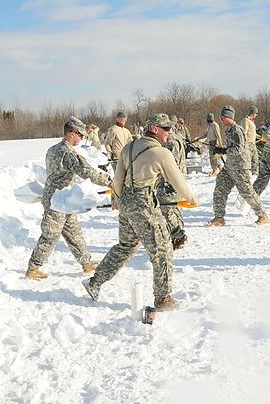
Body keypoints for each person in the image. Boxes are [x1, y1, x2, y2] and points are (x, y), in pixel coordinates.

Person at [83, 114, 200, 311]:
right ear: (154, 129)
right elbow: (178, 182)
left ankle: (95, 282)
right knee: (162, 250)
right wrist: (193, 200)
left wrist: (120, 202)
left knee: (126, 246)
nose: (169, 132)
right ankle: (163, 299)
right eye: (166, 129)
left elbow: (118, 180)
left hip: (127, 201)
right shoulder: (161, 153)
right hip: (144, 203)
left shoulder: (128, 147)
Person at [26, 117, 112, 280]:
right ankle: (33, 268)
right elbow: (88, 172)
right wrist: (111, 182)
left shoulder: (53, 149)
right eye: (81, 135)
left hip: (63, 199)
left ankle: (86, 262)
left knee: (73, 232)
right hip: (56, 202)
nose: (82, 138)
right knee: (50, 235)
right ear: (71, 133)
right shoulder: (68, 153)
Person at [208, 105, 270, 226]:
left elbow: (239, 149)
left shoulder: (237, 130)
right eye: (220, 117)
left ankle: (263, 216)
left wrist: (224, 151)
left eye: (223, 117)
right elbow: (231, 148)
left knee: (247, 192)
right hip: (230, 167)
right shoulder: (228, 130)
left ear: (229, 117)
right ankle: (219, 217)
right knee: (220, 189)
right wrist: (221, 149)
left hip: (240, 167)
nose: (221, 119)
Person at [159, 115, 188, 249]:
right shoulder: (177, 136)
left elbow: (171, 163)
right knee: (175, 208)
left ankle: (178, 235)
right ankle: (179, 235)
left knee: (168, 208)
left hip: (171, 180)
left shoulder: (170, 141)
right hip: (177, 179)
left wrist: (168, 182)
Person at [241, 105, 260, 178]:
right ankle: (247, 176)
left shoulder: (251, 122)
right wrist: (244, 144)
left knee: (255, 159)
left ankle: (255, 175)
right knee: (247, 161)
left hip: (253, 144)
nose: (256, 115)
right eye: (256, 113)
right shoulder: (246, 120)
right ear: (253, 113)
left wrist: (260, 137)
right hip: (248, 144)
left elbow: (253, 133)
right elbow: (244, 132)